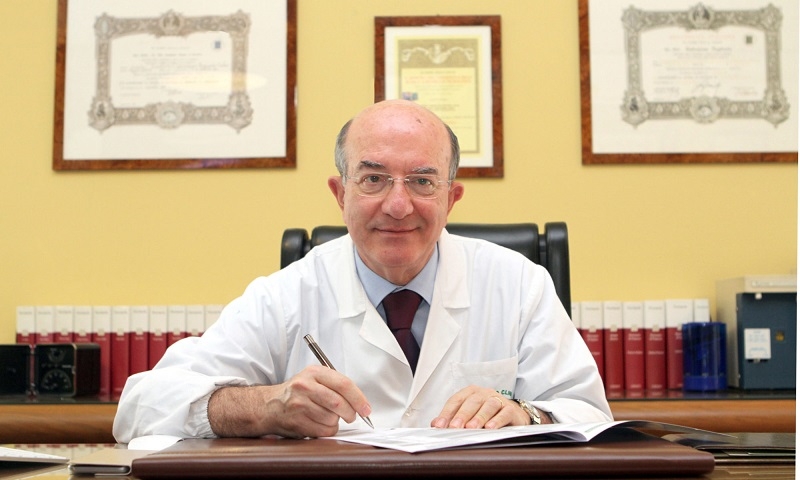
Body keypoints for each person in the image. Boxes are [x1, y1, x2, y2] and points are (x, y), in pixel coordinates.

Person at [113, 99, 612, 442]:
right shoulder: (286, 295)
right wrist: (266, 407)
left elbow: (590, 414)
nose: (398, 205)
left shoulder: (519, 283)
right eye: (373, 179)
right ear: (341, 193)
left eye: (422, 181)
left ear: (451, 198)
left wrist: (525, 413)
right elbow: (140, 407)